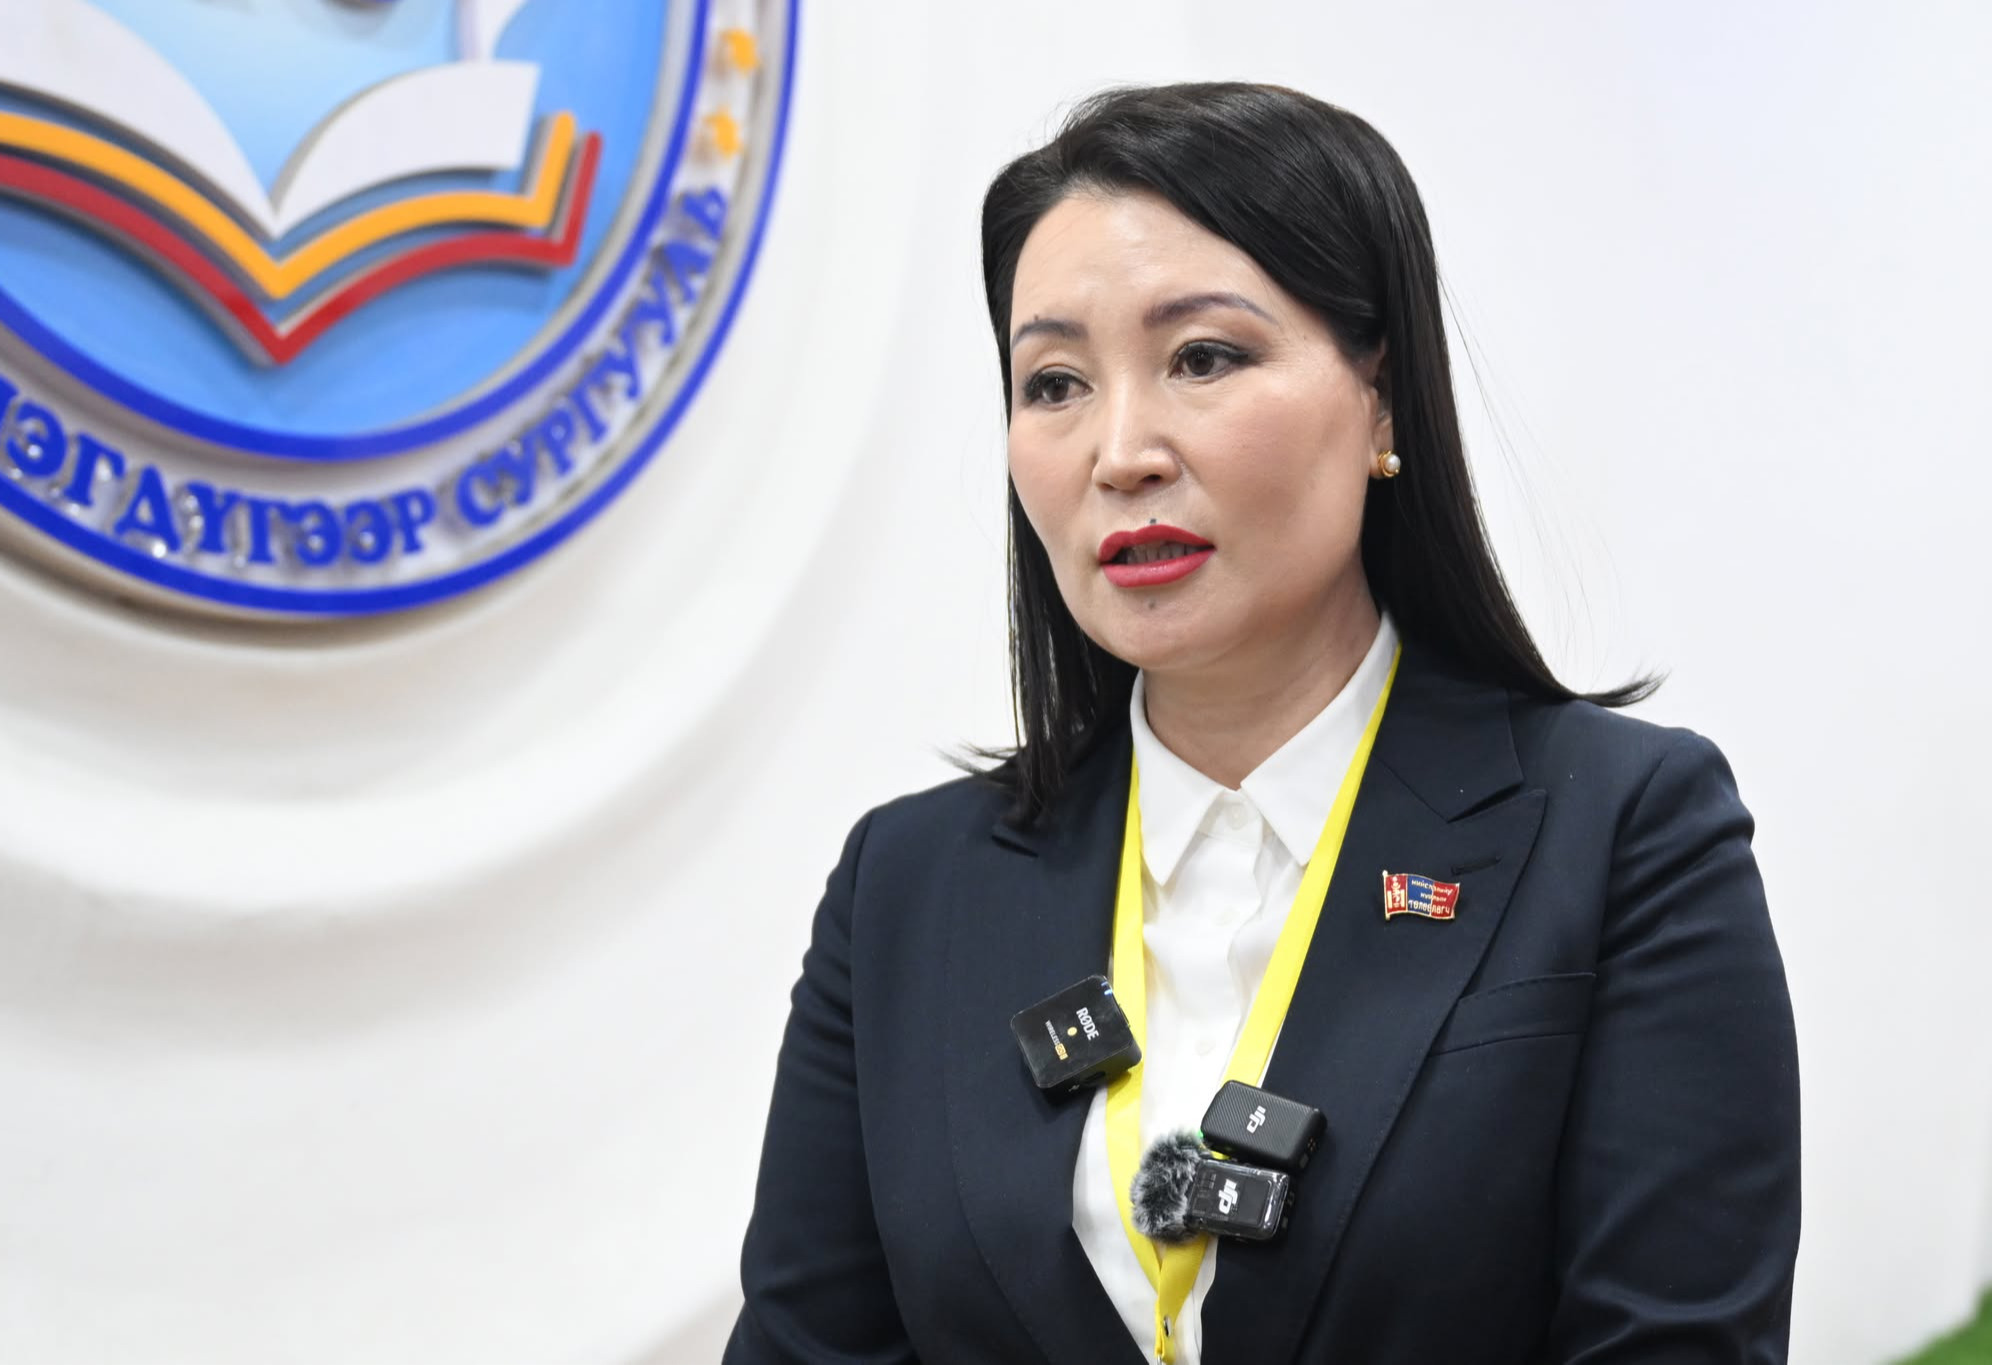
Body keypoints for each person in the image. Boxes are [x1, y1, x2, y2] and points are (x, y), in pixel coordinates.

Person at [724, 82, 1799, 1365]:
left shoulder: (1623, 832)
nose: (1120, 451)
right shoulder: (906, 887)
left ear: (1381, 398)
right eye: (1054, 382)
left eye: (1202, 359)